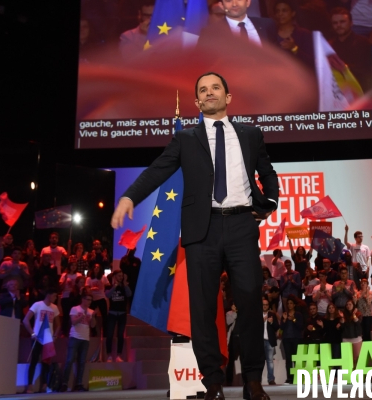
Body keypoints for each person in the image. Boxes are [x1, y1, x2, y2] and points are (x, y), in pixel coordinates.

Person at [111, 72, 279, 400]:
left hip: (243, 225)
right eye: (203, 90)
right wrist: (130, 196)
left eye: (216, 87)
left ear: (228, 97)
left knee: (248, 302)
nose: (209, 92)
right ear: (197, 102)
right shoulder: (186, 138)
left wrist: (270, 202)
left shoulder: (250, 134)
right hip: (202, 230)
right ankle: (213, 382)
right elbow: (158, 169)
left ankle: (253, 381)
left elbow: (267, 172)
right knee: (202, 309)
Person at [23, 288, 60, 394]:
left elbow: (58, 325)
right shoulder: (37, 305)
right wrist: (32, 333)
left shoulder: (55, 308)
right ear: (48, 294)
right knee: (33, 362)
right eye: (54, 295)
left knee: (46, 364)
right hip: (37, 338)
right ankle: (29, 386)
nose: (55, 298)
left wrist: (56, 335)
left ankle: (44, 385)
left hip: (48, 340)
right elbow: (26, 320)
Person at [328, 7, 372, 92]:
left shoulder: (363, 43)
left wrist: (346, 68)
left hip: (361, 88)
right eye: (335, 23)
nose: (338, 25)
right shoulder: (329, 45)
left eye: (342, 22)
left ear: (351, 23)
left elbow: (368, 69)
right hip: (336, 91)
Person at [197, 0, 277, 48]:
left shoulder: (267, 25)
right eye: (229, 0)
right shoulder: (210, 33)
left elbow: (278, 57)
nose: (234, 4)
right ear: (222, 5)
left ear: (248, 2)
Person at [61, 288, 96, 392]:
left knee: (82, 362)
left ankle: (79, 384)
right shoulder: (75, 309)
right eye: (87, 299)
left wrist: (93, 317)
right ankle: (64, 383)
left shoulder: (91, 311)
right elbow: (73, 322)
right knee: (70, 360)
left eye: (90, 300)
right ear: (83, 299)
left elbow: (93, 326)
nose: (89, 302)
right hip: (74, 337)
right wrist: (83, 316)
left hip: (85, 338)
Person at [273, 0, 315, 70]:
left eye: (284, 11)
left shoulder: (303, 34)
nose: (280, 14)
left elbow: (312, 61)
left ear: (293, 13)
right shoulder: (270, 33)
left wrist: (294, 48)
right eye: (277, 11)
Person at [105, 269, 132, 362]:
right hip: (112, 313)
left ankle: (118, 355)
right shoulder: (109, 286)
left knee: (120, 335)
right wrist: (114, 287)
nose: (121, 277)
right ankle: (109, 355)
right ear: (114, 276)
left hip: (122, 313)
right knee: (110, 334)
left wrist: (125, 284)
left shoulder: (124, 286)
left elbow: (129, 294)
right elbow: (108, 295)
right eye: (119, 276)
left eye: (122, 276)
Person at [280, 297, 303, 384]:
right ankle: (289, 377)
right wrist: (285, 320)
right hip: (286, 339)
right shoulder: (284, 314)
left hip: (296, 338)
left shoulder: (298, 314)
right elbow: (281, 327)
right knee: (288, 359)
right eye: (288, 303)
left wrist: (293, 319)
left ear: (294, 305)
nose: (289, 305)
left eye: (291, 303)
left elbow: (300, 326)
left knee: (296, 358)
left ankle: (297, 377)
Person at [60, 261, 83, 337]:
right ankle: (64, 332)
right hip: (66, 297)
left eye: (75, 265)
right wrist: (66, 278)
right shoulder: (64, 275)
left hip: (75, 297)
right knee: (66, 315)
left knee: (75, 314)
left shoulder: (79, 275)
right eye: (72, 265)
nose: (73, 267)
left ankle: (75, 332)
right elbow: (61, 287)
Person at [262, 298, 279, 385]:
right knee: (260, 361)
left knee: (270, 361)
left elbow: (277, 327)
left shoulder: (272, 314)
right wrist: (261, 322)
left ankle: (271, 379)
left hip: (269, 341)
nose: (265, 306)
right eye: (263, 304)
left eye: (266, 305)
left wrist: (272, 323)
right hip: (260, 342)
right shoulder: (257, 314)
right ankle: (257, 380)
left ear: (268, 306)